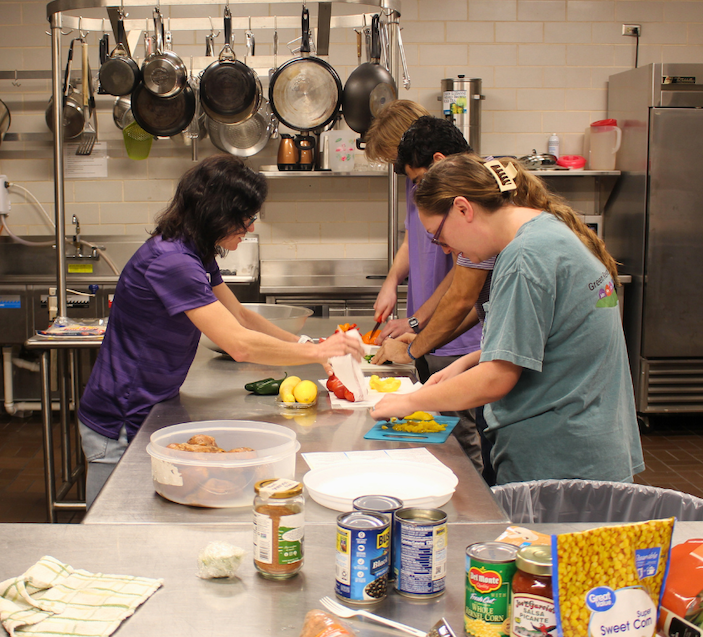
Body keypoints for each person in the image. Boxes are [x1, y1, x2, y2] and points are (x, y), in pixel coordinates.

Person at [78, 155, 364, 502]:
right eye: (246, 219)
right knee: (112, 529)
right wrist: (317, 352)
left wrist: (307, 342)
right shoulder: (173, 262)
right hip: (120, 421)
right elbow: (239, 345)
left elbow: (240, 316)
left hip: (150, 406)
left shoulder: (194, 251)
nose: (251, 228)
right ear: (217, 213)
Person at [370, 154, 644, 485]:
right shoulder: (546, 232)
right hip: (588, 445)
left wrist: (409, 401)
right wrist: (471, 361)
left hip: (560, 460)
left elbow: (496, 379)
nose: (445, 250)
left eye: (439, 236)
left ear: (463, 209)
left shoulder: (524, 258)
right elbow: (551, 341)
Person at [370, 114, 498, 483]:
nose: (444, 250)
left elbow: (462, 298)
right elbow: (479, 306)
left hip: (552, 426)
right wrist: (420, 337)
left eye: (441, 237)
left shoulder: (487, 214)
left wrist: (414, 348)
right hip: (472, 357)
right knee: (480, 453)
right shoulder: (478, 218)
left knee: (473, 450)